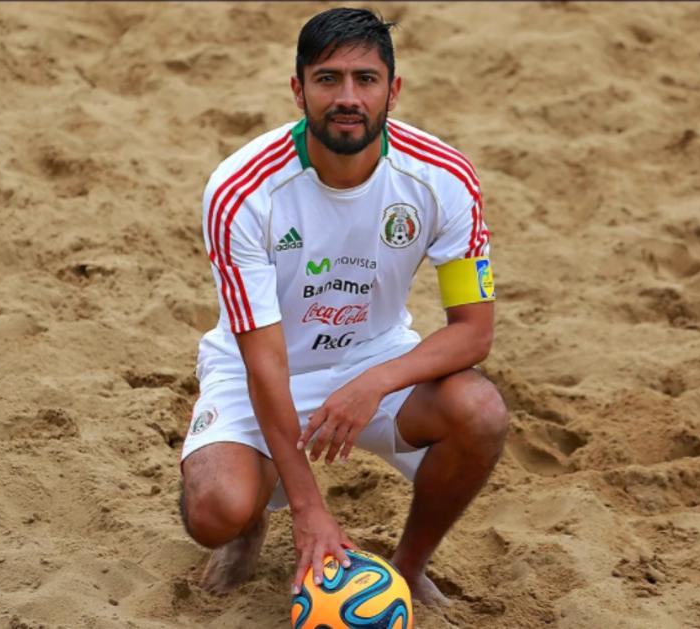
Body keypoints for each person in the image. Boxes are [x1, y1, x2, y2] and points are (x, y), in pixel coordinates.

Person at [179, 7, 508, 606]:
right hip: (262, 367)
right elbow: (266, 364)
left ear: (393, 91)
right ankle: (255, 517)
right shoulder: (241, 189)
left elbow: (473, 333)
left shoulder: (444, 177)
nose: (348, 97)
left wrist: (373, 382)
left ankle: (409, 567)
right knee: (215, 511)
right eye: (328, 79)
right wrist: (308, 509)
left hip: (377, 356)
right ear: (298, 89)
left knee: (480, 411)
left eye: (366, 79)